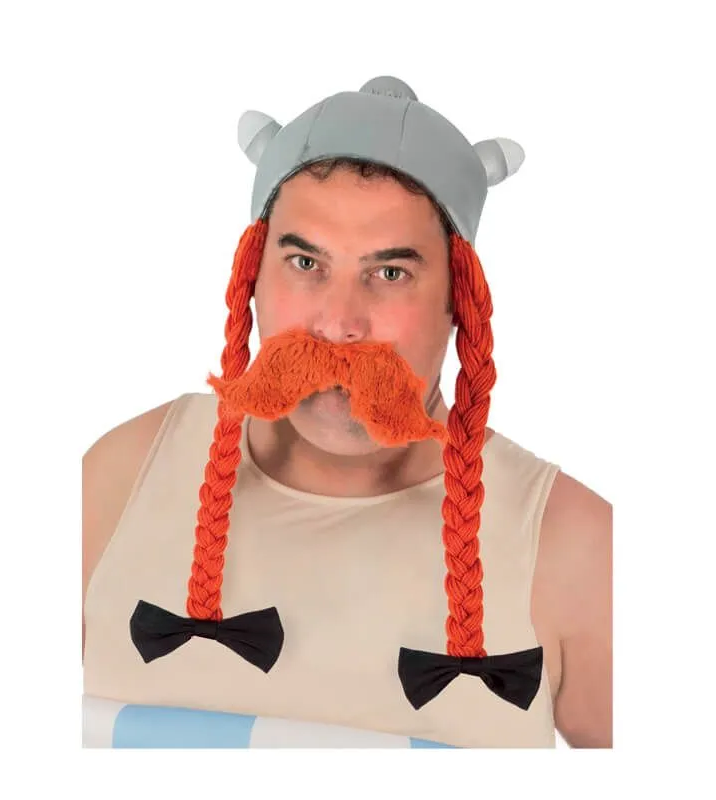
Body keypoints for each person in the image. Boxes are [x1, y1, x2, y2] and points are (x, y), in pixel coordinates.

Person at [82, 76, 612, 748]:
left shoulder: (573, 546)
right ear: (251, 278)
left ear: (461, 301)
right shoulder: (121, 477)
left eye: (390, 273)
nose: (339, 324)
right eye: (305, 261)